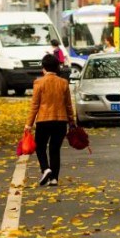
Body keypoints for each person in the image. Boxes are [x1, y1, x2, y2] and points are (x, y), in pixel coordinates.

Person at [24, 54, 75, 186]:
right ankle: (54, 178)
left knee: (40, 146)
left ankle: (45, 169)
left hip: (43, 120)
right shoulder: (63, 83)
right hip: (61, 121)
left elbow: (34, 106)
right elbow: (68, 105)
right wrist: (72, 122)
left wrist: (28, 124)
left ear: (44, 67)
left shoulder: (39, 83)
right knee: (55, 149)